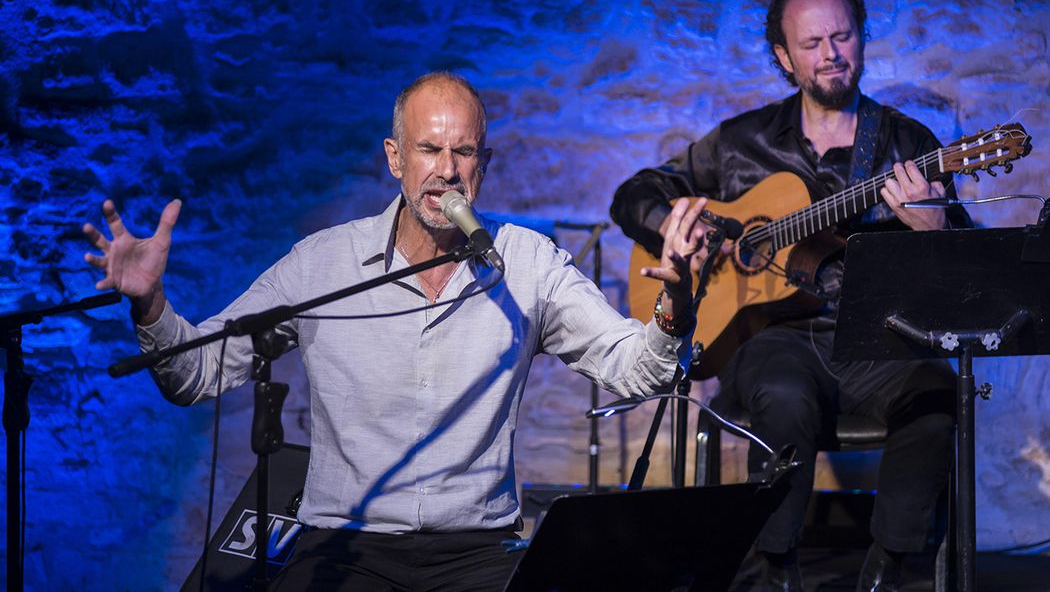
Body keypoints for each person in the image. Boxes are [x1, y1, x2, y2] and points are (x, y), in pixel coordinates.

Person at [83, 71, 708, 591]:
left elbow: (639, 369)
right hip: (345, 548)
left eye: (464, 153)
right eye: (430, 150)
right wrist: (151, 303)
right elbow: (195, 374)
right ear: (395, 160)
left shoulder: (527, 262)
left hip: (478, 554)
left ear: (483, 165)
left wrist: (676, 296)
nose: (447, 171)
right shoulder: (323, 263)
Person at [610, 0, 972, 592]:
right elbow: (632, 195)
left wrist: (934, 226)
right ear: (783, 56)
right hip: (772, 337)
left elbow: (964, 279)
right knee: (783, 397)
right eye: (812, 43)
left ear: (860, 40)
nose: (831, 53)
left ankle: (887, 565)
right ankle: (774, 567)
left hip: (877, 337)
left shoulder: (908, 144)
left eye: (843, 36)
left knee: (939, 397)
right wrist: (679, 226)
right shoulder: (740, 144)